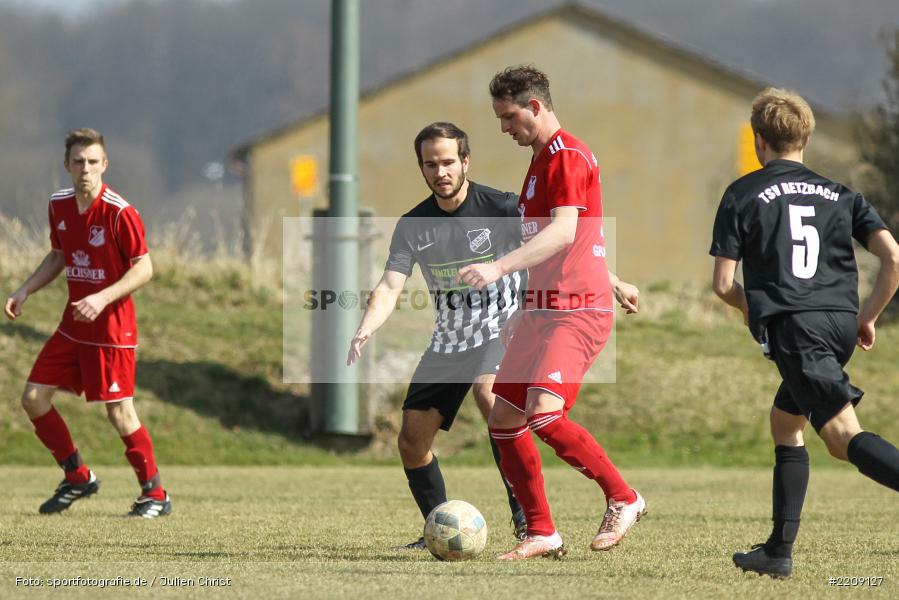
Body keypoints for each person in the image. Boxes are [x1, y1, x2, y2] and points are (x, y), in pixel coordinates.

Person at [710, 88, 899, 578]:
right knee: (786, 422)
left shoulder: (743, 193)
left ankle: (778, 552)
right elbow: (893, 257)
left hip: (796, 325)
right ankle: (777, 551)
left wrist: (754, 309)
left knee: (841, 437)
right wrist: (869, 315)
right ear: (805, 138)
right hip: (838, 321)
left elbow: (724, 284)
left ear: (759, 141)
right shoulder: (841, 193)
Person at [458, 65, 645, 560]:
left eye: (508, 116)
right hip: (543, 309)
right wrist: (614, 277)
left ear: (535, 106)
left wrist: (497, 269)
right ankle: (542, 532)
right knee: (503, 417)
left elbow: (562, 233)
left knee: (544, 415)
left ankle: (624, 497)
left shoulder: (566, 155)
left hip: (575, 311)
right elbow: (577, 239)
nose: (503, 128)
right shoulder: (542, 161)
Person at [347, 122, 528, 549]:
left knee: (491, 399)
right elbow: (391, 285)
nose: (440, 172)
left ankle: (529, 522)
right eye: (431, 164)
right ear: (422, 169)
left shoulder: (501, 208)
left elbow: (557, 243)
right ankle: (442, 529)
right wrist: (366, 327)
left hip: (500, 329)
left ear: (465, 161)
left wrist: (608, 280)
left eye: (448, 162)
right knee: (412, 440)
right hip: (450, 340)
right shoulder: (413, 225)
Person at [5, 128, 171, 518]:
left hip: (112, 329)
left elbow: (144, 267)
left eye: (93, 162)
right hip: (73, 325)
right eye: (78, 162)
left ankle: (156, 494)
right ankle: (78, 476)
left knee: (120, 412)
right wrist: (25, 290)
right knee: (33, 398)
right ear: (66, 165)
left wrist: (101, 297)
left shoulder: (119, 212)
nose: (86, 170)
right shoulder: (59, 206)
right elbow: (58, 255)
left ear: (105, 165)